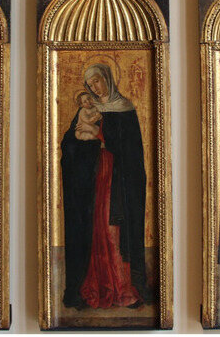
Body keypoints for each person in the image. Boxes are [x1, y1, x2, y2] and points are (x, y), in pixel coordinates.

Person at [60, 64, 149, 309]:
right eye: (90, 85)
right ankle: (97, 285)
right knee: (96, 229)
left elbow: (129, 148)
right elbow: (68, 143)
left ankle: (123, 288)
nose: (95, 88)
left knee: (114, 230)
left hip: (117, 181)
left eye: (97, 81)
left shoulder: (124, 108)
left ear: (108, 79)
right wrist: (82, 143)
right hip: (93, 179)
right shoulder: (87, 108)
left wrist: (98, 133)